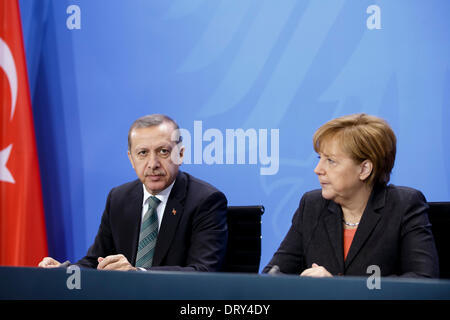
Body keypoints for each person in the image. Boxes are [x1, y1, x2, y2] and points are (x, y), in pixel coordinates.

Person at [39, 114, 228, 272]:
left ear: (180, 154)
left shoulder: (205, 201)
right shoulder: (119, 198)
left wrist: (139, 274)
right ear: (131, 158)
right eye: (143, 153)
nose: (152, 164)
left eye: (163, 151)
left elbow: (203, 271)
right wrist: (64, 271)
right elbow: (96, 261)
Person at [263, 113, 439, 278]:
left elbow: (422, 280)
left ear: (364, 169)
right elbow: (274, 273)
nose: (318, 170)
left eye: (331, 161)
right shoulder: (312, 205)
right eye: (320, 159)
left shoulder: (404, 206)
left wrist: (339, 290)